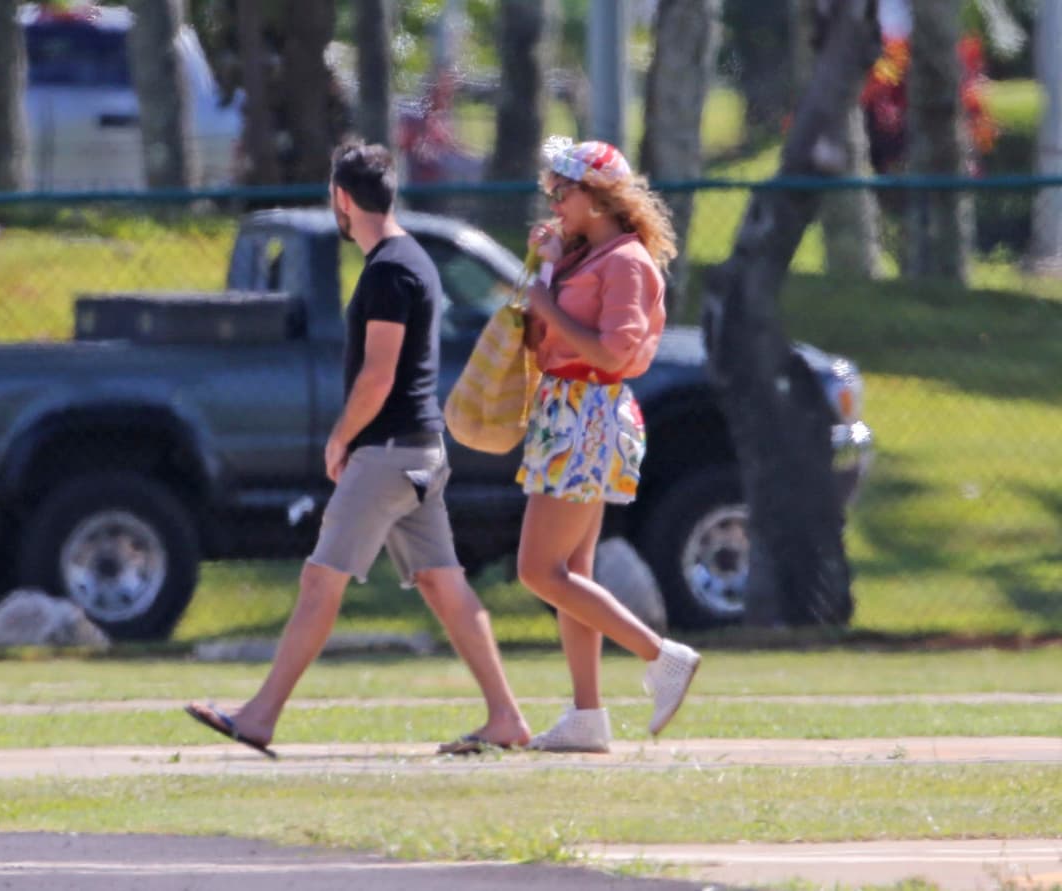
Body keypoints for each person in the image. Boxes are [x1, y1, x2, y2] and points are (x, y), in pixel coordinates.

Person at [186, 140, 531, 758]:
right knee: (442, 583)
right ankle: (506, 716)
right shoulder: (413, 259)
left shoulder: (389, 271)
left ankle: (260, 715)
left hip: (391, 453)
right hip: (421, 451)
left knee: (321, 581)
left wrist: (343, 435)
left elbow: (378, 374)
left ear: (342, 200)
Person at [516, 136, 701, 753]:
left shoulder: (626, 263)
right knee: (574, 571)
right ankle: (588, 715)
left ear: (596, 199)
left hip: (588, 412)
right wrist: (544, 268)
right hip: (566, 410)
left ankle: (661, 655)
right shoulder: (586, 257)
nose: (554, 202)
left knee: (537, 570)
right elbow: (543, 338)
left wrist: (547, 301)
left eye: (562, 192)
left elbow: (612, 353)